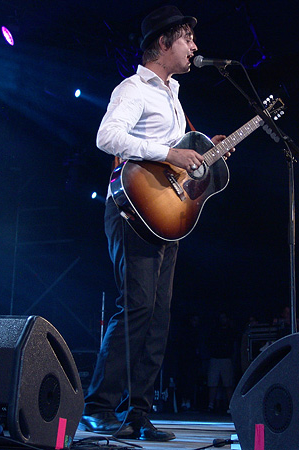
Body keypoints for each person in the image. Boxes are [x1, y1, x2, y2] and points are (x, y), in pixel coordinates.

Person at [79, 5, 230, 442]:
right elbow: (108, 137)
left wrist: (204, 151)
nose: (194, 47)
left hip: (165, 214)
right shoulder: (133, 89)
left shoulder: (173, 95)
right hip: (131, 211)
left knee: (159, 314)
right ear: (164, 43)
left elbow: (177, 154)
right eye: (187, 39)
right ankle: (98, 406)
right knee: (138, 306)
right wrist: (169, 154)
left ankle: (138, 411)